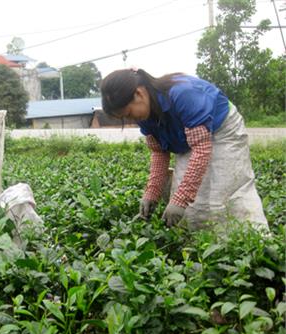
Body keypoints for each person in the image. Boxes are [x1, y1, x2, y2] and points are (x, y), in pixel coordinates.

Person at [100, 68, 268, 230]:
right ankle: (201, 248)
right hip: (190, 138)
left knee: (224, 193)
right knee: (192, 206)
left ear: (138, 93)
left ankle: (254, 239)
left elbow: (201, 150)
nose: (131, 120)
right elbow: (159, 152)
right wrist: (152, 192)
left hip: (223, 129)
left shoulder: (183, 94)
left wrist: (181, 200)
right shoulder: (144, 116)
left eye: (128, 114)